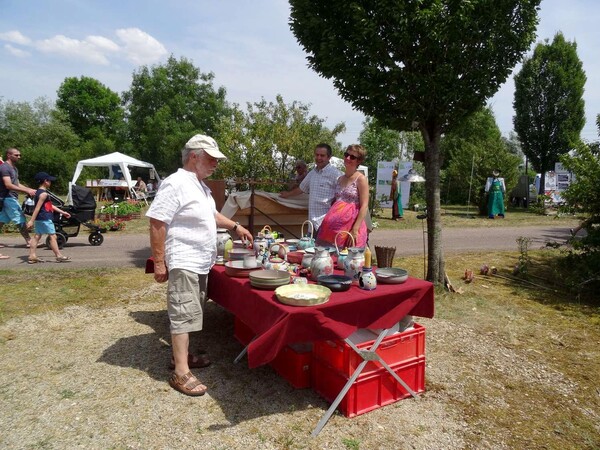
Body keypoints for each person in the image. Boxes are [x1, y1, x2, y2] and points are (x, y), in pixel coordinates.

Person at [147, 133, 253, 397]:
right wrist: (159, 262)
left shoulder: (199, 185)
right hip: (184, 260)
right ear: (194, 156)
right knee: (183, 314)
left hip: (199, 261)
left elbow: (211, 215)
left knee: (192, 312)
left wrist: (235, 226)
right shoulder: (176, 183)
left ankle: (181, 357)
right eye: (211, 158)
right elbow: (157, 222)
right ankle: (180, 372)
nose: (216, 163)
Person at [280, 143, 342, 233]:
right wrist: (287, 194)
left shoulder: (336, 174)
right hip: (312, 224)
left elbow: (341, 198)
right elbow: (301, 188)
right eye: (317, 155)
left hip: (327, 223)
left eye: (322, 155)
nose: (319, 158)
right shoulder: (312, 173)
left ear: (329, 157)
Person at [316, 144, 369, 248]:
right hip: (332, 231)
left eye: (352, 157)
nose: (348, 158)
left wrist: (355, 229)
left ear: (359, 161)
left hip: (350, 228)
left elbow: (364, 206)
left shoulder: (361, 179)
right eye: (346, 155)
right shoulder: (340, 179)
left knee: (347, 259)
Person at [26, 172, 72, 264]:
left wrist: (63, 212)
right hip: (45, 218)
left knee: (37, 236)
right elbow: (37, 208)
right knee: (53, 236)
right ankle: (59, 256)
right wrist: (31, 221)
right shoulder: (44, 194)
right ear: (45, 181)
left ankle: (32, 255)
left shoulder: (38, 192)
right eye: (49, 180)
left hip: (40, 218)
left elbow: (49, 206)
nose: (51, 182)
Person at [0, 148, 35, 248]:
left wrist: (30, 189)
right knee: (20, 218)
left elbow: (17, 184)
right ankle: (29, 240)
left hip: (10, 197)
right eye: (16, 155)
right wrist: (26, 191)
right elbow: (8, 185)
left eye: (19, 155)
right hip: (7, 197)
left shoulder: (14, 168)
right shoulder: (4, 168)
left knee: (2, 220)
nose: (19, 157)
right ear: (8, 155)